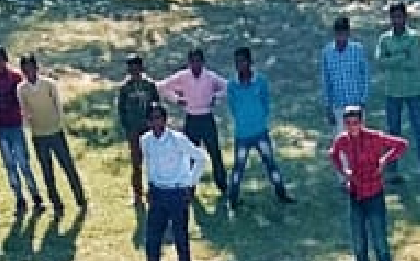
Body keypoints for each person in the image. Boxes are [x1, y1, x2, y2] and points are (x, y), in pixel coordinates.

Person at [331, 103, 409, 261]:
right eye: (348, 123)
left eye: (355, 123)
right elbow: (333, 154)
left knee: (380, 243)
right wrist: (344, 173)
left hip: (374, 194)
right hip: (356, 195)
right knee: (359, 244)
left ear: (361, 122)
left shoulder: (374, 137)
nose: (352, 127)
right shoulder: (342, 140)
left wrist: (384, 160)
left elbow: (401, 144)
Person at [139, 105, 205, 261]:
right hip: (158, 194)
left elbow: (200, 157)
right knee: (152, 243)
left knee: (182, 244)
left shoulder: (178, 140)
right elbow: (149, 164)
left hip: (177, 193)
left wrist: (190, 184)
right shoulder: (146, 141)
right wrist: (149, 186)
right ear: (148, 122)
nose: (156, 122)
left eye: (159, 118)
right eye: (152, 119)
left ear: (165, 120)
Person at [224, 46, 294, 208]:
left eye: (243, 61)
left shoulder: (260, 81)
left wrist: (260, 117)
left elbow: (265, 101)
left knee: (270, 163)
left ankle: (281, 192)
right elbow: (232, 106)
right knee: (238, 167)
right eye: (237, 62)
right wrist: (242, 121)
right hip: (242, 134)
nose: (240, 65)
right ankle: (233, 197)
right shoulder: (232, 85)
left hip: (260, 131)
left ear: (250, 62)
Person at [19, 55, 89, 212]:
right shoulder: (21, 89)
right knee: (47, 171)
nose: (28, 72)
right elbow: (24, 111)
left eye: (31, 68)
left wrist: (59, 124)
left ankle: (80, 199)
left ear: (36, 68)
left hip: (56, 132)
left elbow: (58, 106)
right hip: (38, 135)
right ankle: (56, 204)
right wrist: (31, 127)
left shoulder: (49, 84)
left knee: (68, 166)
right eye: (25, 69)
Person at [159, 47, 230, 198]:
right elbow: (163, 87)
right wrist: (177, 99)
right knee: (191, 155)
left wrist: (216, 97)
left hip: (207, 118)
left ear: (203, 62)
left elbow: (229, 87)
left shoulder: (210, 77)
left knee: (215, 153)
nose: (196, 65)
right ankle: (189, 188)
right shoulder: (183, 76)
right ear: (189, 62)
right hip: (191, 118)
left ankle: (223, 185)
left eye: (198, 61)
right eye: (193, 61)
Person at [374, 2, 420, 181]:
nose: (397, 20)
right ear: (390, 18)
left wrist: (393, 58)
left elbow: (415, 63)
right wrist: (401, 56)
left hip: (413, 90)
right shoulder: (384, 39)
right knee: (393, 133)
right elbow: (380, 62)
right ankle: (392, 171)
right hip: (392, 91)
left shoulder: (414, 38)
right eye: (394, 17)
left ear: (405, 17)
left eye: (400, 16)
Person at [0, 47, 42, 213]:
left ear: (6, 59)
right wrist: (1, 101)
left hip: (15, 125)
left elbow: (20, 98)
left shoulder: (16, 77)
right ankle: (19, 197)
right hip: (1, 127)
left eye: (0, 60)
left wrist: (4, 101)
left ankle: (35, 195)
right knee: (10, 165)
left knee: (24, 163)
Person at [117, 54, 161, 203]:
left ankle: (154, 191)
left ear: (142, 68)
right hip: (133, 130)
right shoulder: (124, 88)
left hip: (149, 129)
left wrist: (155, 126)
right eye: (131, 69)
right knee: (136, 163)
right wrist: (128, 127)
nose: (134, 72)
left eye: (137, 68)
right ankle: (137, 194)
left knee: (153, 161)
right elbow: (121, 109)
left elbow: (156, 106)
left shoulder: (150, 85)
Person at [320, 15, 371, 131]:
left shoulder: (357, 50)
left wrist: (363, 101)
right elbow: (326, 80)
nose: (341, 38)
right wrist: (328, 106)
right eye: (338, 34)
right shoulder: (327, 52)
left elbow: (365, 76)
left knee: (357, 140)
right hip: (338, 105)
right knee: (341, 141)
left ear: (348, 33)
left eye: (344, 34)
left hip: (356, 103)